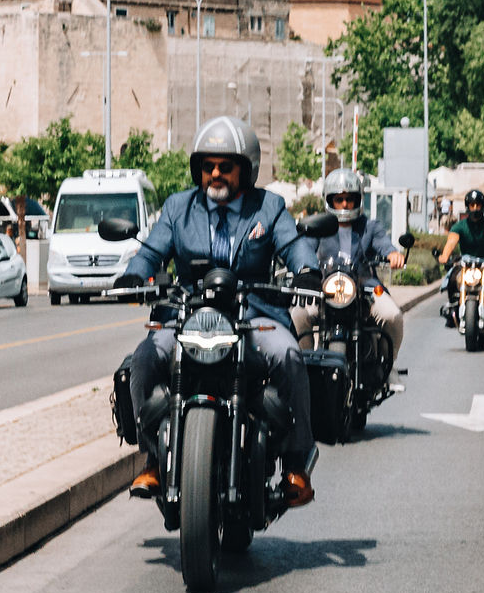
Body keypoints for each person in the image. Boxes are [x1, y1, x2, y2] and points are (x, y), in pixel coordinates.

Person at [119, 117, 323, 507]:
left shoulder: (269, 207)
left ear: (245, 169)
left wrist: (308, 272)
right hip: (187, 314)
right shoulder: (180, 206)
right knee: (144, 359)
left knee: (289, 355)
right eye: (208, 166)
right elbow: (151, 251)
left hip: (253, 312)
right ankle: (152, 459)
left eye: (224, 166)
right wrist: (134, 274)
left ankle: (296, 464)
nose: (215, 173)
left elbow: (294, 244)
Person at [291, 167, 407, 363]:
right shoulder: (319, 225)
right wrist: (300, 267)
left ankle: (388, 364)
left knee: (392, 316)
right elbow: (303, 251)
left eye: (350, 198)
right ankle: (306, 363)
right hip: (324, 289)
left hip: (365, 288)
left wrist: (394, 254)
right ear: (329, 200)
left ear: (358, 199)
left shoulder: (370, 227)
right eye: (339, 199)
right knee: (298, 314)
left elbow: (384, 245)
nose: (345, 204)